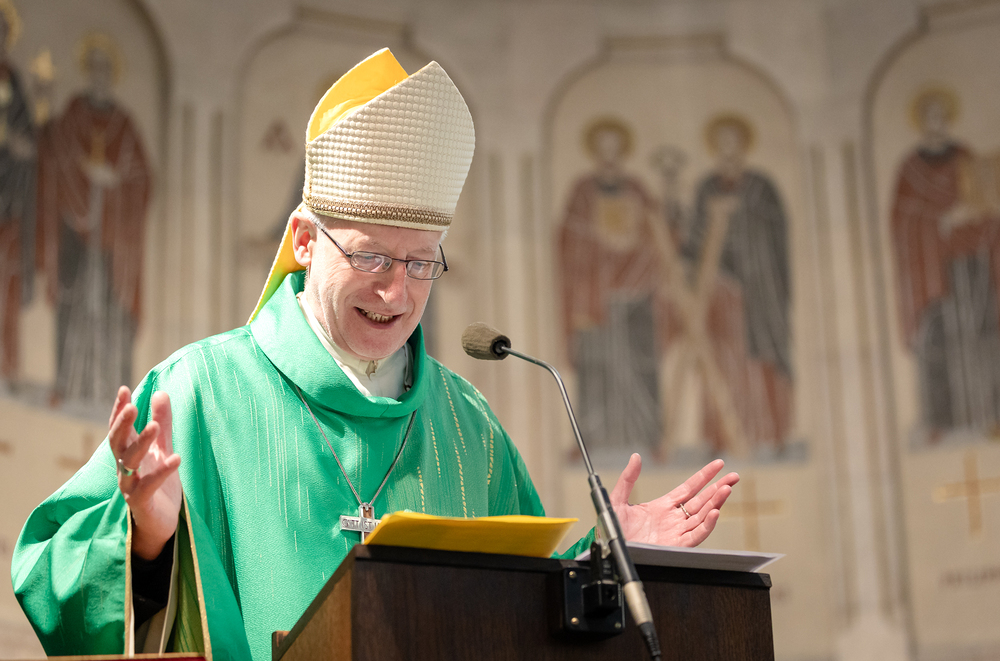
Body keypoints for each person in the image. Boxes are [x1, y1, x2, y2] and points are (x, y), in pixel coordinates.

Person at [13, 49, 738, 661]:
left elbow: (522, 608)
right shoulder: (197, 391)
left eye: (421, 263)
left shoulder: (468, 426)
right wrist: (148, 537)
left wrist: (599, 562)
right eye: (370, 257)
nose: (396, 291)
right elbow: (52, 580)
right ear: (304, 240)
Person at [36, 32, 151, 407]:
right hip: (74, 233)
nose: (99, 75)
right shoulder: (73, 115)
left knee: (111, 308)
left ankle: (109, 392)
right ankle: (66, 383)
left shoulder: (123, 124)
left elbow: (143, 178)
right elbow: (53, 156)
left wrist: (114, 182)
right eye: (94, 67)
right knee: (70, 304)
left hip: (112, 241)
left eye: (105, 69)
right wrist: (83, 175)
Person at [890, 87, 1000, 438]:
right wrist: (939, 220)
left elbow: (984, 200)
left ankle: (986, 412)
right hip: (933, 273)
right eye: (930, 116)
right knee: (938, 342)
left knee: (981, 335)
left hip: (971, 263)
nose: (936, 122)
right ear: (922, 121)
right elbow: (902, 219)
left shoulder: (966, 157)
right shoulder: (910, 169)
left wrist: (976, 215)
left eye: (941, 115)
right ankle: (943, 421)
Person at [557, 118, 669, 456]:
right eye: (602, 147)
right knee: (597, 367)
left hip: (636, 295)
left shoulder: (637, 190)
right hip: (596, 296)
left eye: (614, 147)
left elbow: (657, 237)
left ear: (622, 150)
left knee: (640, 365)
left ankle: (650, 436)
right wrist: (599, 251)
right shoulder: (583, 191)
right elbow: (569, 238)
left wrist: (635, 262)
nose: (609, 154)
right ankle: (590, 438)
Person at [687, 114, 792, 455]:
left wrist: (740, 213)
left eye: (733, 143)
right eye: (721, 144)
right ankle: (722, 437)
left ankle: (770, 434)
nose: (727, 151)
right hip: (721, 294)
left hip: (759, 293)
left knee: (761, 358)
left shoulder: (761, 188)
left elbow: (774, 234)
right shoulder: (707, 189)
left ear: (743, 146)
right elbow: (694, 241)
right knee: (722, 362)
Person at [0, 0, 36, 388]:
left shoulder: (12, 82)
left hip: (7, 204)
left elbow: (29, 143)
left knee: (6, 285)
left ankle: (7, 366)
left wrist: (16, 142)